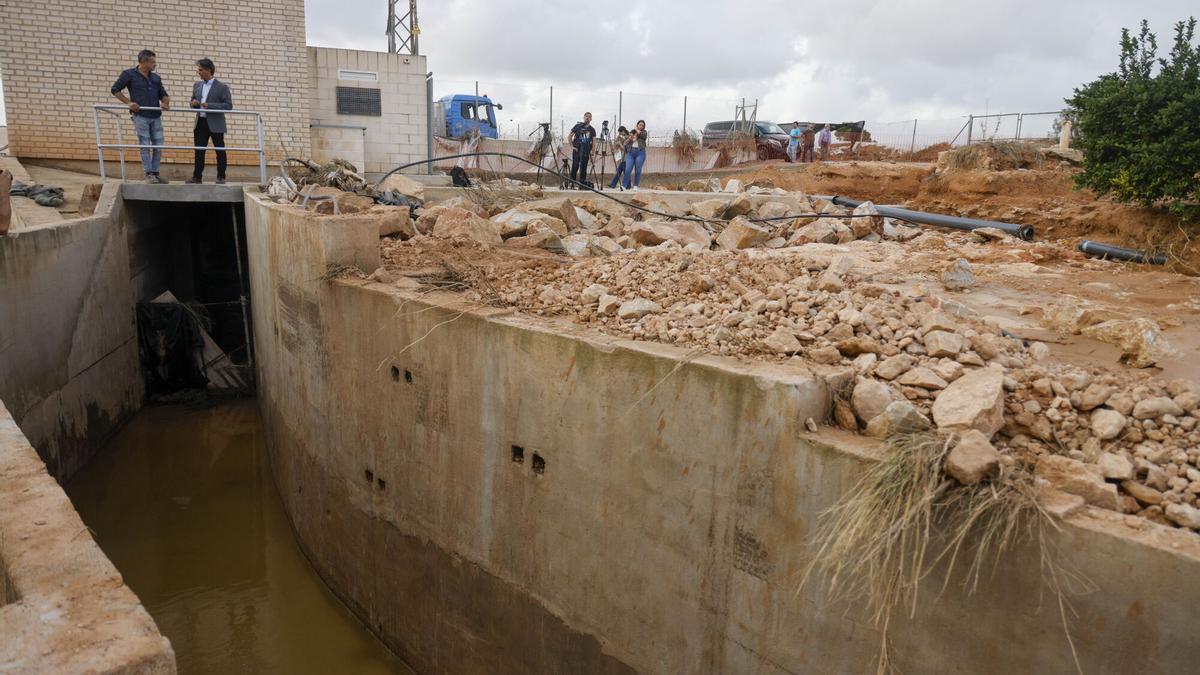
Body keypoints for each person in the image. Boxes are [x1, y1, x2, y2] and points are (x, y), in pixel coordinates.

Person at [111, 49, 170, 183]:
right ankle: (148, 174)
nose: (155, 65)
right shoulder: (129, 74)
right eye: (152, 62)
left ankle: (155, 173)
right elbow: (115, 89)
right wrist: (129, 103)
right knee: (144, 144)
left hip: (155, 116)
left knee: (158, 145)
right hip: (140, 116)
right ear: (144, 62)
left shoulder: (155, 77)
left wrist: (165, 103)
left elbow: (163, 94)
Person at [186, 58, 233, 184]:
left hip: (216, 123)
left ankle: (221, 177)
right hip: (200, 122)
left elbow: (228, 106)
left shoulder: (222, 87)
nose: (198, 72)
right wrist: (194, 103)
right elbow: (192, 103)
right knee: (199, 151)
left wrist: (210, 105)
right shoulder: (197, 85)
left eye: (200, 70)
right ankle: (197, 177)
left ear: (209, 70)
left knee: (220, 150)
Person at [567, 112, 597, 188]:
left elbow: (594, 142)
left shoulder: (592, 129)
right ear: (584, 117)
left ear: (591, 119)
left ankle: (582, 183)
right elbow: (569, 136)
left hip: (586, 151)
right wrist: (572, 146)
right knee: (575, 165)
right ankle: (572, 182)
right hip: (577, 150)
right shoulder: (578, 126)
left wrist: (593, 153)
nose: (587, 117)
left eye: (589, 116)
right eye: (586, 116)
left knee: (583, 167)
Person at [622, 120, 648, 191]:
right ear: (637, 124)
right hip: (631, 152)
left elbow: (642, 136)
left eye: (642, 125)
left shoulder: (644, 132)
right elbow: (625, 142)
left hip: (640, 153)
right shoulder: (632, 132)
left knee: (638, 170)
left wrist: (636, 130)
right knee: (627, 169)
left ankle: (636, 185)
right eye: (640, 124)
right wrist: (630, 138)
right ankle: (624, 186)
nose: (641, 126)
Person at [608, 125, 629, 190]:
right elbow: (615, 144)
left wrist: (619, 143)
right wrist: (617, 142)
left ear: (623, 131)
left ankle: (628, 185)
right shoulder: (620, 137)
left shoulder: (628, 137)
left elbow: (624, 148)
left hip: (626, 157)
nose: (619, 134)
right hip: (622, 156)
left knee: (625, 171)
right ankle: (613, 184)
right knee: (619, 171)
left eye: (620, 132)